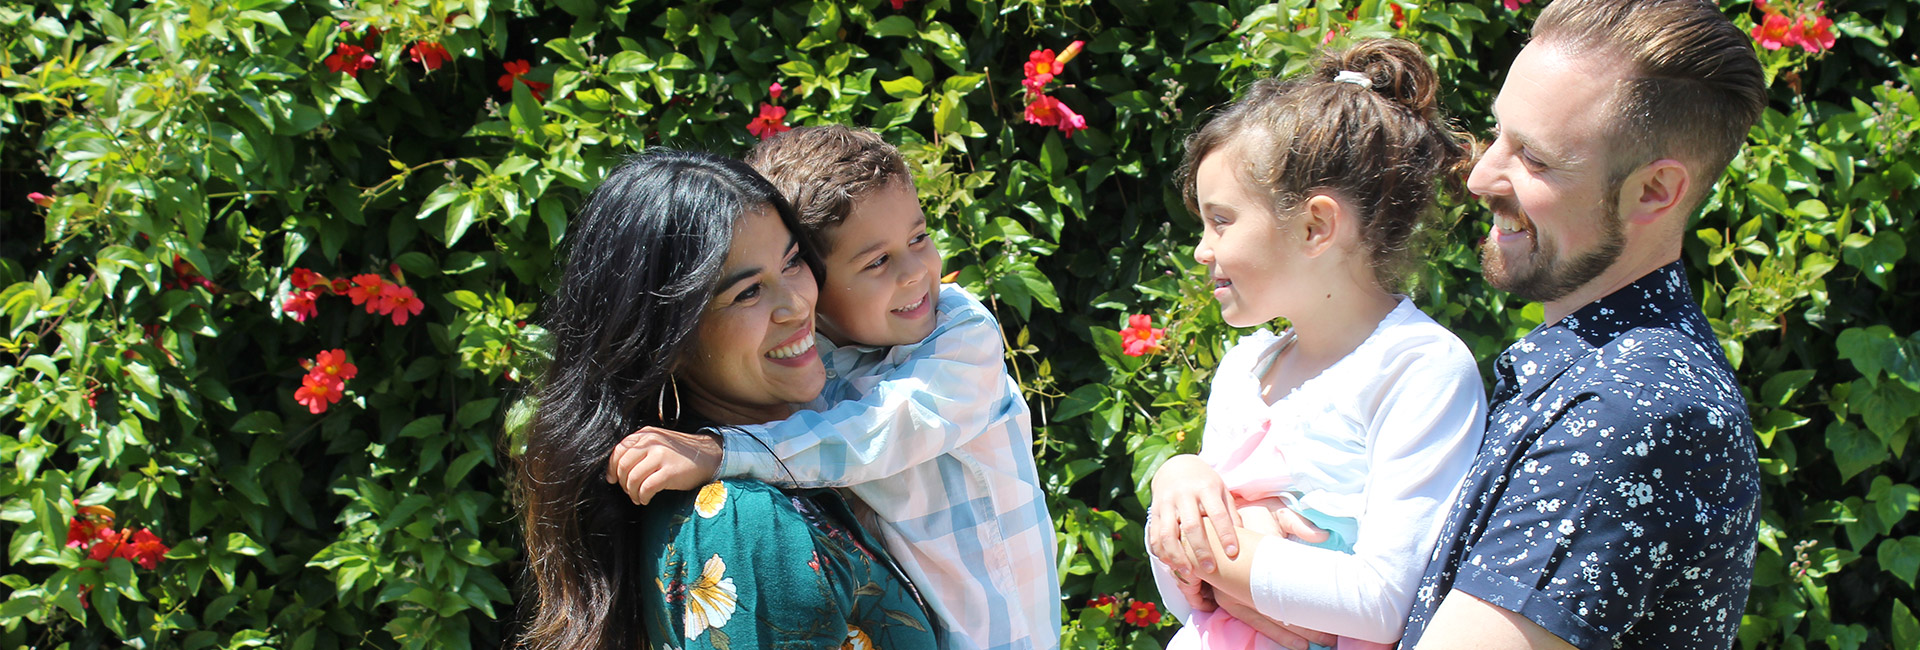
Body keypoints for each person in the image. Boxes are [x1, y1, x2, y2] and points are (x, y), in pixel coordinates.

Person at [1398, 1, 1767, 648]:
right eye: (1498, 133)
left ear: (1655, 191)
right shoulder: (1601, 374)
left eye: (1534, 158)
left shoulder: (1626, 411)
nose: (1482, 176)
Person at [604, 126, 1060, 650]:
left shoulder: (960, 334)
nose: (915, 272)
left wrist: (726, 451)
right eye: (876, 261)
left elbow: (878, 432)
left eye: (919, 237)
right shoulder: (805, 373)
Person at [513, 149, 935, 650]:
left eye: (793, 262)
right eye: (749, 292)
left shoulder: (765, 482)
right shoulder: (746, 525)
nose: (797, 305)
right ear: (668, 346)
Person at [1144, 39, 1485, 650]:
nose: (1202, 249)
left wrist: (1210, 555)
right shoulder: (1246, 369)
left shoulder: (1419, 370)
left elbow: (1384, 602)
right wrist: (1175, 483)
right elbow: (1184, 601)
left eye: (1221, 220)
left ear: (1315, 226)